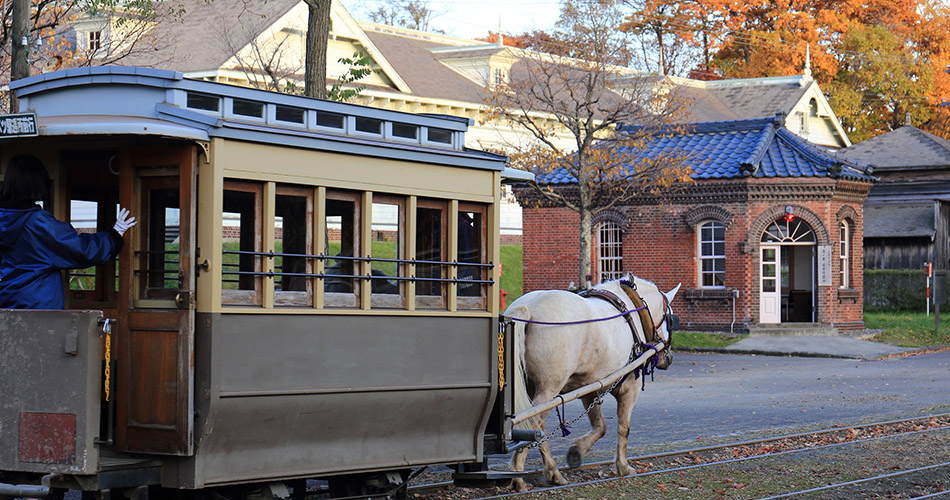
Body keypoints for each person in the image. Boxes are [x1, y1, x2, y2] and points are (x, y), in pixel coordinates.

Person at [0, 155, 136, 309]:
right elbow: (79, 249)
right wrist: (114, 235)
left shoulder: (4, 218)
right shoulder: (38, 223)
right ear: (37, 183)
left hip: (6, 305)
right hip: (39, 308)